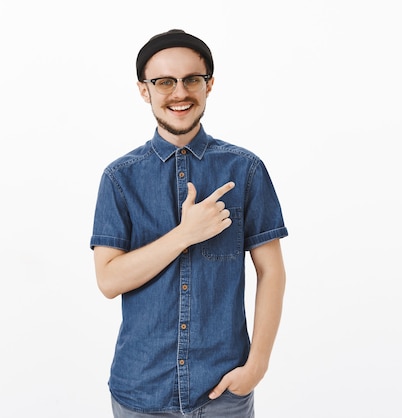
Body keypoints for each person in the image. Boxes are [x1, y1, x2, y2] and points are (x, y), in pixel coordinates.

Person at [90, 29, 288, 417]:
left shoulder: (244, 169)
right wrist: (184, 235)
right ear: (144, 90)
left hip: (223, 392)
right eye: (164, 82)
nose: (179, 93)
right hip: (140, 391)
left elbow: (272, 271)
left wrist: (257, 365)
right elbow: (109, 281)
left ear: (209, 84)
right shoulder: (119, 178)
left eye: (191, 79)